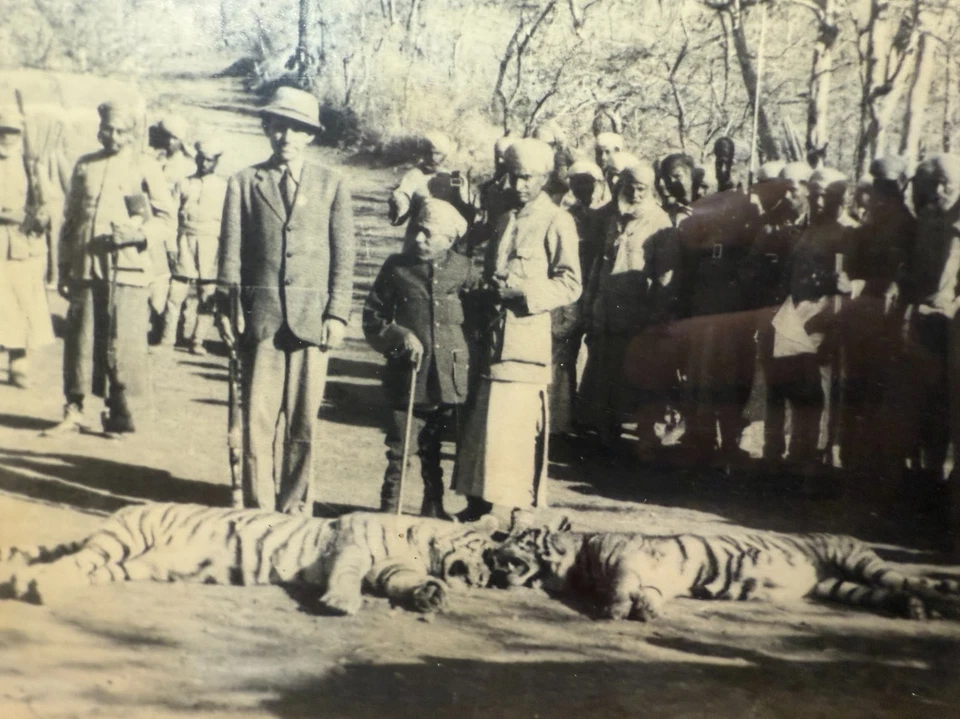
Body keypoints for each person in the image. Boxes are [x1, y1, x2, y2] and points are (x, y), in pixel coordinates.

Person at [217, 86, 356, 514]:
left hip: (312, 321)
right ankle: (259, 509)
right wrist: (226, 310)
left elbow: (343, 256)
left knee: (303, 424)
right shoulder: (243, 182)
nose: (287, 137)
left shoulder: (333, 184)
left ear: (310, 135)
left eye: (297, 129)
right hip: (261, 321)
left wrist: (337, 314)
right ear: (268, 129)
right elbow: (230, 254)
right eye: (279, 127)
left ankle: (295, 507)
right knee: (256, 423)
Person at [454, 138, 581, 521]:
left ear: (544, 177)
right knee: (484, 423)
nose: (518, 184)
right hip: (490, 335)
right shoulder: (506, 216)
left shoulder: (558, 220)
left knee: (515, 426)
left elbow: (570, 283)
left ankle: (513, 511)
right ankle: (477, 503)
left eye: (526, 177)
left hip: (524, 339)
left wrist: (521, 294)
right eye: (513, 176)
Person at [45, 100, 175, 436]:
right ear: (99, 129)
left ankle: (119, 413)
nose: (113, 137)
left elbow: (166, 220)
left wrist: (138, 234)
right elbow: (70, 222)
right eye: (108, 129)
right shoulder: (85, 165)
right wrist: (62, 266)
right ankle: (73, 409)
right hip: (86, 268)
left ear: (132, 134)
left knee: (123, 343)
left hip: (128, 271)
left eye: (121, 131)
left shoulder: (145, 167)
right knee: (80, 340)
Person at [363, 199, 474, 518]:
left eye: (427, 233)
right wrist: (400, 335)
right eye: (416, 231)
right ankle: (388, 510)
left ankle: (433, 505)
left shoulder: (464, 268)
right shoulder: (396, 267)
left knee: (434, 444)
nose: (418, 239)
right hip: (408, 373)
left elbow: (478, 316)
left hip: (446, 376)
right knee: (400, 448)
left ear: (449, 239)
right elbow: (373, 317)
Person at [581, 161, 679, 455]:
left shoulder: (661, 225)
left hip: (638, 318)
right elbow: (601, 266)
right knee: (605, 376)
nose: (635, 194)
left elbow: (666, 278)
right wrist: (591, 306)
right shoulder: (614, 219)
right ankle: (605, 440)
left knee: (641, 379)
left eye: (642, 189)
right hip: (608, 314)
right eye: (630, 188)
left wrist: (655, 319)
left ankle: (648, 442)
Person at [0, 106, 55, 388]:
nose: (6, 137)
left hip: (22, 245)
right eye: (2, 131)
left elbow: (49, 201)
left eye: (12, 132)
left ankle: (18, 362)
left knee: (21, 302)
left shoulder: (31, 166)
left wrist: (41, 215)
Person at [159, 139, 227, 354]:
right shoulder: (184, 183)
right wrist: (171, 245)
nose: (204, 163)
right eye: (201, 158)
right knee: (176, 291)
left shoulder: (224, 187)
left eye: (209, 160)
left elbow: (230, 222)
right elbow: (170, 217)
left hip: (211, 243)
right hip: (185, 240)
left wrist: (224, 251)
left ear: (216, 162)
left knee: (207, 293)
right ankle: (168, 337)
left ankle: (198, 340)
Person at [388, 131, 474, 227]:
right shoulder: (414, 176)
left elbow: (466, 208)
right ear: (423, 153)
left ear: (445, 155)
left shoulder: (455, 177)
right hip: (420, 232)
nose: (433, 158)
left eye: (437, 154)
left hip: (447, 233)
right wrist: (398, 203)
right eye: (429, 153)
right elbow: (402, 199)